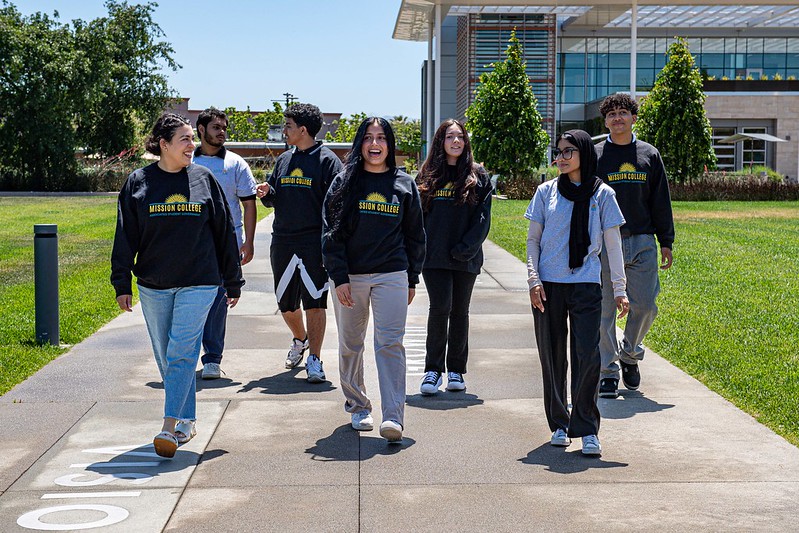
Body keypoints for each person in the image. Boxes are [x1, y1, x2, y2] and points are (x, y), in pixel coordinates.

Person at [111, 112, 243, 458]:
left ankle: (169, 427)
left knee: (182, 352)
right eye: (184, 139)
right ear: (164, 144)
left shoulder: (204, 180)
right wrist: (121, 280)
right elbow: (125, 235)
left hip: (200, 281)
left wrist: (232, 280)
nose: (191, 145)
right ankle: (187, 417)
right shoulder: (139, 182)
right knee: (166, 357)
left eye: (191, 139)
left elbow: (223, 231)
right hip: (154, 283)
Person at [322, 117, 425, 443]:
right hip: (350, 277)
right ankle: (358, 405)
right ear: (360, 144)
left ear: (389, 144)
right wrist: (339, 277)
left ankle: (393, 415)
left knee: (390, 344)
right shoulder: (343, 183)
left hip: (392, 274)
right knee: (351, 345)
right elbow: (330, 234)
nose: (375, 144)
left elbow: (415, 235)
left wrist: (411, 277)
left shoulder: (404, 184)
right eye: (368, 138)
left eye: (381, 138)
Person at [526, 129, 628, 456]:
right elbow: (533, 241)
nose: (561, 157)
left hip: (586, 284)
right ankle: (559, 423)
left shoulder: (603, 196)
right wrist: (533, 279)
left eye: (568, 151)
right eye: (558, 151)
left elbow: (613, 246)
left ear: (584, 152)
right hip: (548, 286)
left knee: (588, 356)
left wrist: (620, 290)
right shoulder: (546, 192)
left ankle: (586, 427)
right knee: (553, 356)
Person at [595, 93, 675, 399]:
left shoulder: (648, 155)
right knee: (604, 310)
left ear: (633, 118)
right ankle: (608, 372)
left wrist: (665, 240)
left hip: (642, 239)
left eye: (623, 112)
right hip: (605, 241)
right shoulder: (596, 155)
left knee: (645, 304)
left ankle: (629, 353)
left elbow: (660, 200)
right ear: (605, 121)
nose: (617, 117)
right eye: (612, 113)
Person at [255, 103, 342, 383]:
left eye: (288, 125)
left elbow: (336, 206)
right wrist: (267, 193)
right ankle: (300, 338)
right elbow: (275, 196)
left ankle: (315, 359)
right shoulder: (284, 160)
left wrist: (332, 243)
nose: (285, 130)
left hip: (313, 242)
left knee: (315, 301)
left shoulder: (328, 161)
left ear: (303, 130)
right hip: (283, 241)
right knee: (286, 304)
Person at [415, 119, 492, 395]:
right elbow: (417, 218)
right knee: (439, 309)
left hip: (465, 258)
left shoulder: (478, 176)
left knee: (460, 311)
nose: (456, 141)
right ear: (441, 141)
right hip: (434, 258)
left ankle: (456, 370)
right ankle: (433, 370)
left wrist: (465, 248)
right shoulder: (427, 175)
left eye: (460, 137)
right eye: (450, 137)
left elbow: (483, 218)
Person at [193, 107, 258, 380]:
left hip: (227, 241)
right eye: (216, 127)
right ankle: (185, 354)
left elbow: (249, 204)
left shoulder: (235, 164)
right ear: (201, 130)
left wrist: (249, 242)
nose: (222, 132)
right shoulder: (186, 160)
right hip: (191, 242)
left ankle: (212, 358)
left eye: (224, 128)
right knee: (192, 299)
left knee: (220, 299)